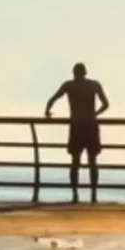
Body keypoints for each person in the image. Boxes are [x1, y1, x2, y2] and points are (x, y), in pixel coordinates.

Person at [46, 63, 109, 204]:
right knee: (93, 162)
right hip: (91, 125)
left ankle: (75, 194)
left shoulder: (69, 85)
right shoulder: (94, 85)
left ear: (74, 73)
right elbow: (106, 104)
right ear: (85, 72)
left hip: (76, 125)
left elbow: (53, 98)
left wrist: (47, 112)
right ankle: (93, 195)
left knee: (75, 162)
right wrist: (94, 114)